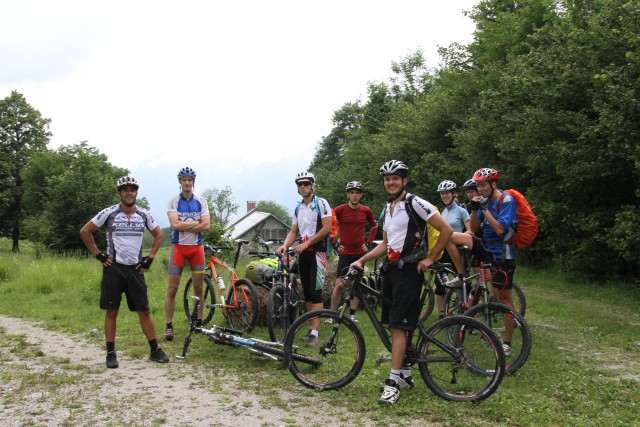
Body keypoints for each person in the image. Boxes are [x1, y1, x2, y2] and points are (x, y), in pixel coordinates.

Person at [351, 160, 453, 405]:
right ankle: (405, 373)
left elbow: (446, 230)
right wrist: (361, 260)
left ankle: (393, 383)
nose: (391, 182)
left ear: (404, 180)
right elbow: (386, 245)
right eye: (387, 179)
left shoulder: (414, 202)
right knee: (393, 323)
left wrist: (430, 258)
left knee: (399, 328)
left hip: (409, 272)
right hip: (392, 271)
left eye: (395, 178)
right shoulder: (388, 208)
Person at [80, 176, 168, 368]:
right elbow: (85, 231)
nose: (129, 193)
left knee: (144, 311)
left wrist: (150, 258)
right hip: (114, 269)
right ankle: (111, 353)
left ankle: (155, 350)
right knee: (112, 311)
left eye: (132, 189)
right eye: (125, 190)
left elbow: (159, 235)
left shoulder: (143, 214)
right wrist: (98, 255)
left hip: (136, 269)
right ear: (119, 193)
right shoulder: (109, 212)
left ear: (136, 192)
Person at [277, 171, 332, 345]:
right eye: (300, 184)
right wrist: (285, 245)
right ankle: (310, 328)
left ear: (312, 185)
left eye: (306, 183)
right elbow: (294, 231)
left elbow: (327, 228)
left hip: (319, 253)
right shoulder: (298, 208)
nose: (303, 187)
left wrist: (307, 243)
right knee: (307, 292)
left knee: (316, 292)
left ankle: (315, 332)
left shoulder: (321, 203)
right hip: (303, 254)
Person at [469, 167, 517, 356]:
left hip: (503, 256)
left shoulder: (506, 200)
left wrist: (484, 209)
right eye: (478, 186)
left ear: (493, 183)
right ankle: (508, 323)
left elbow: (500, 230)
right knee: (494, 294)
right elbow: (474, 229)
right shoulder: (486, 202)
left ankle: (507, 343)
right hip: (488, 253)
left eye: (483, 185)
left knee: (504, 299)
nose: (480, 189)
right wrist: (475, 210)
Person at [164, 167, 210, 341]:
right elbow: (174, 225)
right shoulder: (173, 201)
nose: (187, 182)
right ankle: (169, 325)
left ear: (193, 182)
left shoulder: (201, 201)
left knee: (199, 288)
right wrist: (197, 224)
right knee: (172, 289)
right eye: (184, 180)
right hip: (179, 249)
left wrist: (185, 225)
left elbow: (207, 226)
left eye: (190, 180)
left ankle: (198, 321)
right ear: (180, 182)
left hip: (197, 249)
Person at [329, 181, 378, 321]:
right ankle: (332, 315)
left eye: (357, 193)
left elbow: (374, 226)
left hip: (359, 254)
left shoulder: (366, 210)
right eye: (352, 193)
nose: (355, 195)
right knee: (339, 285)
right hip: (345, 253)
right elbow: (330, 225)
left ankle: (352, 315)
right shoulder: (339, 210)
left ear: (361, 195)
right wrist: (335, 244)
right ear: (348, 195)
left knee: (356, 285)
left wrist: (368, 243)